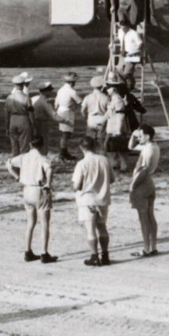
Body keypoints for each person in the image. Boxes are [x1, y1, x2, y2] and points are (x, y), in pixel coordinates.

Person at [8, 135, 55, 263]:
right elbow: (49, 170)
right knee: (44, 223)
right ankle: (44, 253)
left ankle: (27, 251)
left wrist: (16, 177)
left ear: (30, 145)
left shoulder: (23, 157)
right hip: (38, 189)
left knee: (30, 223)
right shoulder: (42, 158)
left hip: (27, 190)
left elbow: (8, 163)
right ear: (41, 146)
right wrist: (48, 184)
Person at [72, 136, 113, 266]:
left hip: (88, 199)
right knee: (102, 227)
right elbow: (112, 179)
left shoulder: (81, 164)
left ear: (81, 148)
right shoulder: (104, 160)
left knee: (90, 229)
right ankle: (105, 255)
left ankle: (94, 256)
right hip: (102, 198)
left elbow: (76, 186)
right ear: (94, 146)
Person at [128, 124, 161, 257]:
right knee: (150, 215)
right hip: (150, 183)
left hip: (142, 183)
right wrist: (133, 135)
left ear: (147, 136)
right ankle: (153, 246)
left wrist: (133, 186)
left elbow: (143, 170)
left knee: (143, 218)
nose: (138, 138)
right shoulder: (153, 146)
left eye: (140, 136)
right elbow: (130, 147)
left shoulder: (148, 150)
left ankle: (146, 248)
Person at [4, 74, 36, 158]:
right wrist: (33, 126)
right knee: (24, 145)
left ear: (14, 85)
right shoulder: (26, 98)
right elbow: (31, 113)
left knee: (14, 145)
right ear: (22, 85)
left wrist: (7, 127)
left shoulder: (9, 98)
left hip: (12, 119)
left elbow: (6, 114)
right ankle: (23, 165)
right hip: (23, 119)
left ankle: (15, 165)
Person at [105, 80, 133, 174]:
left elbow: (120, 116)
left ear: (113, 89)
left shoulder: (118, 100)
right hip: (112, 127)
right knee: (112, 148)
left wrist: (118, 130)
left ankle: (124, 166)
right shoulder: (114, 99)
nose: (107, 90)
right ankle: (115, 164)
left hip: (117, 128)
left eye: (108, 88)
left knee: (121, 148)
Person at [54, 73, 82, 162]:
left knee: (64, 133)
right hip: (67, 112)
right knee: (66, 134)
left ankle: (64, 152)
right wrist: (75, 108)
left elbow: (56, 104)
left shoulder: (60, 90)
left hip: (60, 111)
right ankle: (63, 153)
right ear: (72, 82)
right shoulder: (72, 91)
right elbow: (80, 101)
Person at [82, 75, 110, 153]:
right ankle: (103, 154)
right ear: (102, 86)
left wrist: (86, 119)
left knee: (90, 141)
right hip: (102, 119)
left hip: (91, 119)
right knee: (102, 140)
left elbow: (82, 111)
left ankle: (91, 154)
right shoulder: (106, 97)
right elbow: (109, 111)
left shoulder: (87, 97)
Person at [30, 81, 57, 158]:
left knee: (36, 142)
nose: (51, 92)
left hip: (34, 123)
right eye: (50, 90)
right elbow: (53, 115)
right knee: (43, 142)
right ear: (46, 91)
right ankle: (43, 158)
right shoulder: (45, 102)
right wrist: (64, 119)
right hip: (42, 123)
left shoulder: (36, 99)